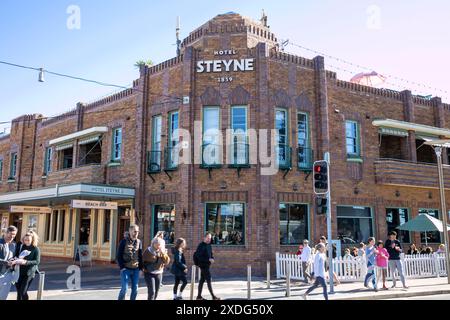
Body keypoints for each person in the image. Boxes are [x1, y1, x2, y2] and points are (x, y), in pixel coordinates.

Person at [116, 224, 143, 300]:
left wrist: (141, 268)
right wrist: (122, 267)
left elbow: (140, 256)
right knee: (124, 289)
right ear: (130, 231)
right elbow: (118, 255)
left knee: (135, 289)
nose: (136, 233)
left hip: (136, 269)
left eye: (137, 232)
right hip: (126, 269)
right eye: (134, 231)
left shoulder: (139, 242)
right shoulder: (123, 242)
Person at [14, 231, 41, 300]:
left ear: (32, 240)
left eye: (28, 240)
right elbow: (16, 255)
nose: (26, 241)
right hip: (19, 272)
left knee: (23, 291)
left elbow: (37, 261)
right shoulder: (21, 246)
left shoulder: (35, 249)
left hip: (29, 273)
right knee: (18, 292)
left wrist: (26, 262)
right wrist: (15, 259)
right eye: (25, 240)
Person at [194, 232, 220, 300]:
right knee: (209, 279)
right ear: (204, 238)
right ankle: (213, 296)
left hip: (207, 265)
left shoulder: (209, 245)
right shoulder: (201, 245)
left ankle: (199, 296)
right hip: (203, 265)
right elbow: (199, 256)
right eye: (208, 238)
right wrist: (208, 259)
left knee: (202, 280)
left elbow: (211, 254)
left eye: (210, 238)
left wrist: (212, 258)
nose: (209, 239)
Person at [0, 226, 18, 300]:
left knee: (3, 296)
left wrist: (15, 260)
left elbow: (13, 256)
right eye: (11, 234)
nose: (12, 236)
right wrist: (5, 262)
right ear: (6, 233)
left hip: (8, 273)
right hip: (0, 271)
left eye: (14, 234)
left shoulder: (14, 244)